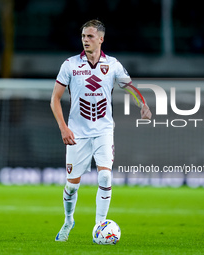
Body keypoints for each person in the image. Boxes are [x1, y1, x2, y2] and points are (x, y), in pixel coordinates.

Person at [50, 19, 152, 242]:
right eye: (83, 36)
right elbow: (54, 99)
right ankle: (68, 221)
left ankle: (100, 225)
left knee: (105, 175)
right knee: (71, 186)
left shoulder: (113, 65)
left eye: (90, 36)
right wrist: (63, 128)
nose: (86, 40)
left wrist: (142, 104)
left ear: (101, 39)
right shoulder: (70, 65)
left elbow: (131, 88)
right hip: (77, 134)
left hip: (104, 130)